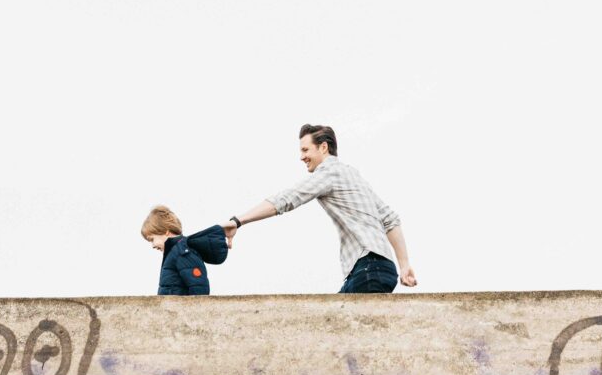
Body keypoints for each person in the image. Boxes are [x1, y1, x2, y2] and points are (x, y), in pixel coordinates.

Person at [221, 124, 417, 294]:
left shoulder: (328, 173)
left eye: (305, 150)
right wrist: (404, 265)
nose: (301, 157)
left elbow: (287, 199)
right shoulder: (351, 174)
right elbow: (390, 219)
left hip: (368, 267)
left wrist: (238, 221)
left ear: (323, 147)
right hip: (382, 268)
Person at [141, 205, 229, 296]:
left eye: (152, 239)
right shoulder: (174, 252)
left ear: (165, 231)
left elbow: (199, 288)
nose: (153, 245)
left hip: (181, 310)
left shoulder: (181, 252)